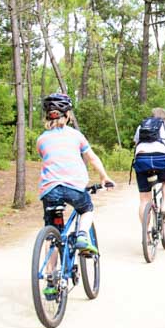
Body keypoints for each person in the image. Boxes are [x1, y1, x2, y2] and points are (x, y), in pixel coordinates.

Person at [37, 93, 115, 255]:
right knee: (86, 208)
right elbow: (92, 159)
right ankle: (82, 235)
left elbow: (47, 158)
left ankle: (51, 276)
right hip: (74, 187)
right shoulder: (76, 135)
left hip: (50, 190)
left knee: (52, 234)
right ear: (66, 116)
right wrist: (104, 177)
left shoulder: (41, 140)